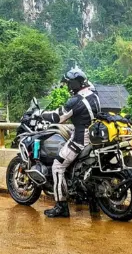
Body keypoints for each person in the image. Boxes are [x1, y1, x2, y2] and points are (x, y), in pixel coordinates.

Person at [39, 66, 100, 218]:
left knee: (58, 165)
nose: (67, 87)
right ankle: (93, 205)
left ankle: (61, 206)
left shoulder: (76, 101)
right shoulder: (94, 94)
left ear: (74, 84)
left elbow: (58, 117)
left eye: (68, 84)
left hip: (81, 139)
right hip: (95, 136)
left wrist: (40, 114)